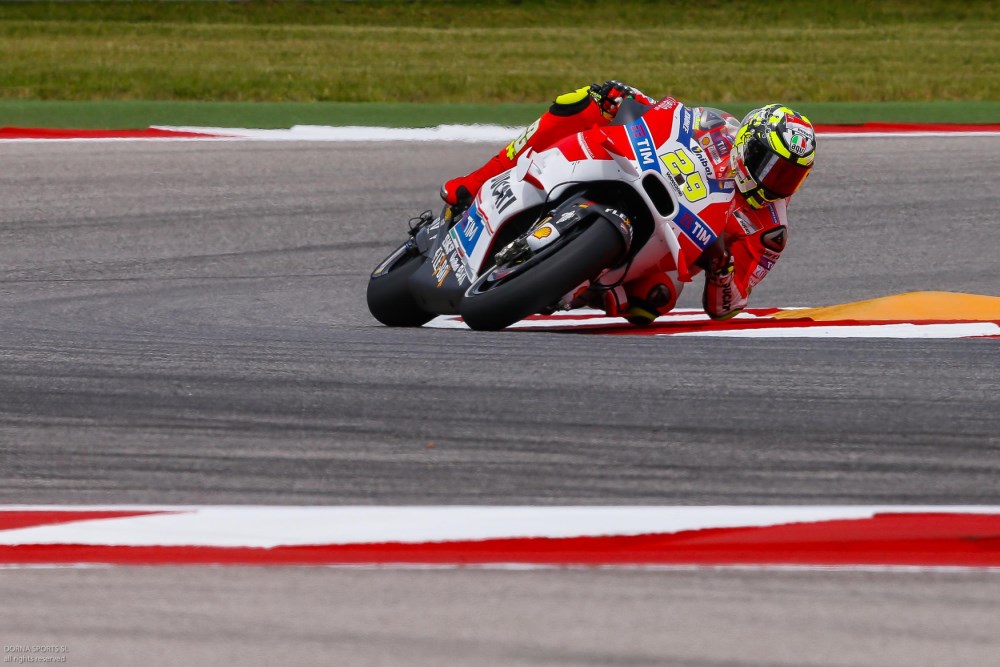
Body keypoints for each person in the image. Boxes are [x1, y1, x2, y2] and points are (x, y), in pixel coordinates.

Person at [439, 81, 817, 324]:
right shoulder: (718, 128)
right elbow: (671, 116)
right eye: (771, 165)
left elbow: (729, 305)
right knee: (585, 101)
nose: (776, 181)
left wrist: (720, 268)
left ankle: (575, 284)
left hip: (669, 247)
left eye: (789, 175)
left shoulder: (770, 229)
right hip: (642, 175)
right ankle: (473, 184)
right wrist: (629, 98)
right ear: (748, 142)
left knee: (655, 301)